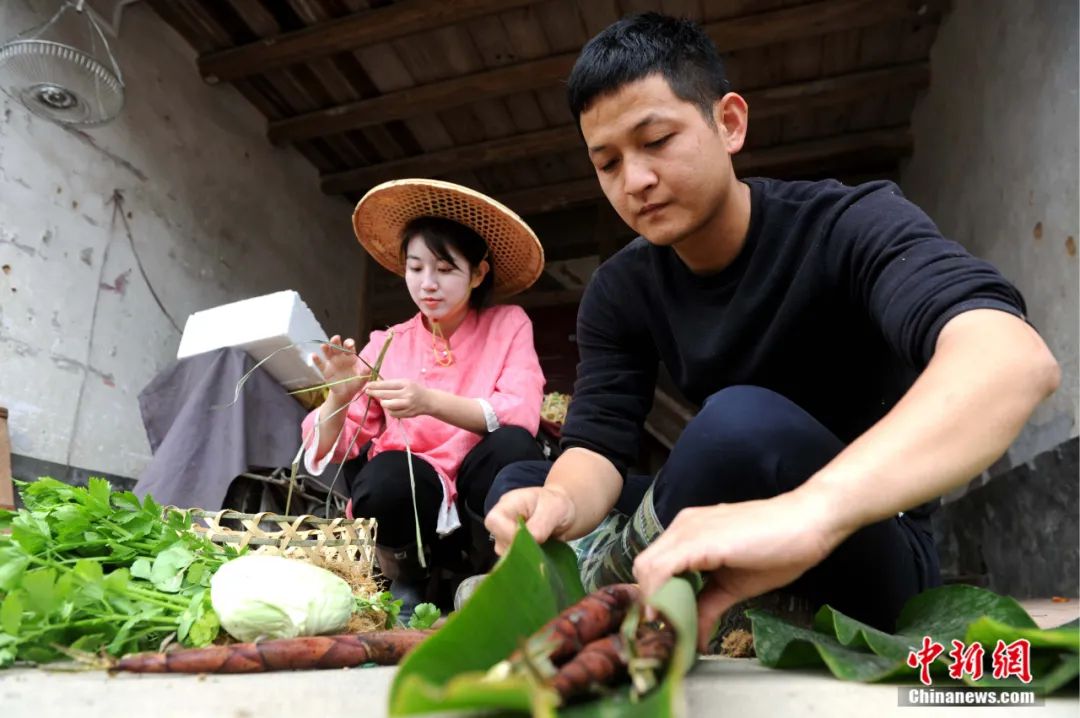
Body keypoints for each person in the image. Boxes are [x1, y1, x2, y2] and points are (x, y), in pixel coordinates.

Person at [483, 13, 1060, 649]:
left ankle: (609, 586)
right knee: (520, 484)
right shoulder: (621, 289)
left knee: (739, 426)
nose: (635, 180)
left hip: (863, 537)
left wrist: (808, 513)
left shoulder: (846, 224)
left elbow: (1011, 359)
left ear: (729, 123)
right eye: (608, 163)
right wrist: (563, 502)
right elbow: (598, 443)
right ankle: (641, 578)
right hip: (736, 504)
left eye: (657, 140)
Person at [302, 179, 548, 613]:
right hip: (415, 493)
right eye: (416, 269)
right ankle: (406, 578)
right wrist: (338, 398)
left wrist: (429, 401)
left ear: (478, 273)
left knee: (513, 446)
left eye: (445, 269)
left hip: (478, 484)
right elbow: (336, 447)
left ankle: (491, 567)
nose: (428, 284)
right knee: (385, 476)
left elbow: (521, 411)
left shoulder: (508, 324)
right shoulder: (387, 342)